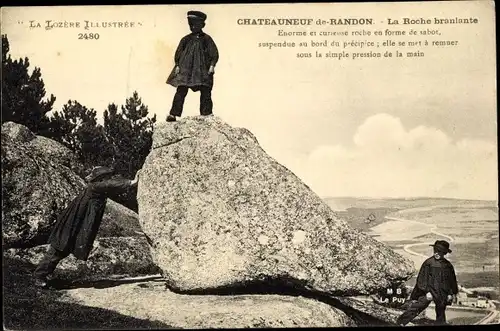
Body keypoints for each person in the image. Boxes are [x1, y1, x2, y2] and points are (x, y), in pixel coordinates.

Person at [33, 166, 141, 288]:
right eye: (106, 177)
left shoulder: (96, 187)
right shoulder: (96, 186)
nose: (109, 178)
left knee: (62, 249)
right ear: (100, 178)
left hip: (74, 223)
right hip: (71, 224)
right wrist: (131, 182)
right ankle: (39, 276)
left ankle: (44, 274)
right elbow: (110, 185)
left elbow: (111, 186)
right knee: (59, 249)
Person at [165, 10, 219, 122]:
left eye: (195, 24)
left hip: (202, 70)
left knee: (205, 89)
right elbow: (178, 54)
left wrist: (212, 65)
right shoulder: (186, 39)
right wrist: (178, 66)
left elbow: (214, 53)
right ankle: (173, 114)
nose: (192, 27)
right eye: (190, 24)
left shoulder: (206, 39)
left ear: (201, 25)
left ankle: (206, 114)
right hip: (186, 70)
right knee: (181, 90)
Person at [396, 240, 459, 326]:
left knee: (441, 310)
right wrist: (427, 292)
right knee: (418, 306)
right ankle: (400, 322)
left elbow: (451, 281)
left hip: (442, 292)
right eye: (435, 250)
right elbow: (421, 279)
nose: (436, 253)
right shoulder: (428, 263)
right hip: (428, 291)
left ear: (444, 253)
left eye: (440, 252)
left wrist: (451, 293)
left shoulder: (448, 266)